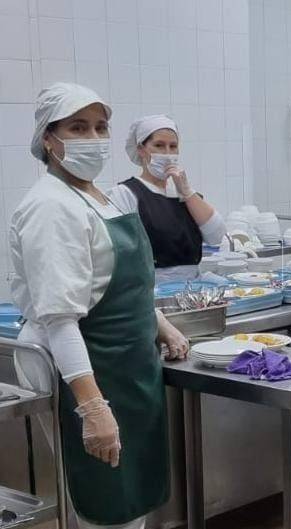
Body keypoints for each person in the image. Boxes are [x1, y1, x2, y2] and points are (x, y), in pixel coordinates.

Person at [10, 82, 189, 529]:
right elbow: (60, 319)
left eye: (100, 127)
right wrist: (92, 408)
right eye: (77, 127)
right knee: (103, 496)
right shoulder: (50, 207)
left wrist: (160, 324)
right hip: (83, 365)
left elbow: (119, 282)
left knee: (132, 495)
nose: (93, 137)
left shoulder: (99, 196)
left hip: (125, 363)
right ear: (48, 139)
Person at [107, 115, 226, 283]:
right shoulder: (125, 194)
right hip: (150, 288)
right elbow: (120, 253)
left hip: (191, 288)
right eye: (159, 146)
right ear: (141, 149)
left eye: (173, 147)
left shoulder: (186, 196)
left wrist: (187, 192)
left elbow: (217, 235)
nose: (168, 153)